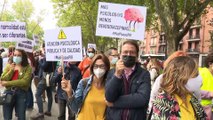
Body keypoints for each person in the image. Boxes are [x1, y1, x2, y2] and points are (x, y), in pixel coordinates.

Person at [105, 40, 151, 120]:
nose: (128, 54)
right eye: (125, 52)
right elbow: (109, 97)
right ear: (120, 55)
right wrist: (117, 75)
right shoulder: (112, 73)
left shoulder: (144, 74)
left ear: (137, 55)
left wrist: (114, 103)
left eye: (132, 52)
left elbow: (142, 99)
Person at [61, 54, 110, 120]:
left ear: (107, 68)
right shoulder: (84, 83)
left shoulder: (110, 86)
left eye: (102, 66)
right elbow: (75, 108)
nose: (99, 69)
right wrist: (69, 93)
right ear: (92, 67)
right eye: (96, 66)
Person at [0, 49, 32, 120]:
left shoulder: (27, 67)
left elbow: (24, 82)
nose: (16, 57)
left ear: (23, 57)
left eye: (19, 55)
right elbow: (2, 79)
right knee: (7, 117)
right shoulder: (9, 66)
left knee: (21, 117)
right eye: (15, 55)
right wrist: (11, 70)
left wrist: (8, 83)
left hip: (21, 93)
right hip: (8, 93)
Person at [31, 44, 57, 119]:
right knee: (49, 94)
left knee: (37, 94)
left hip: (46, 78)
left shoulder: (48, 56)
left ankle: (40, 112)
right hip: (51, 77)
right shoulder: (54, 55)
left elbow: (43, 67)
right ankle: (48, 111)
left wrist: (40, 60)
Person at [199, 52, 213, 120]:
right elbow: (192, 91)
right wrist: (209, 94)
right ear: (210, 64)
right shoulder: (201, 73)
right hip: (202, 110)